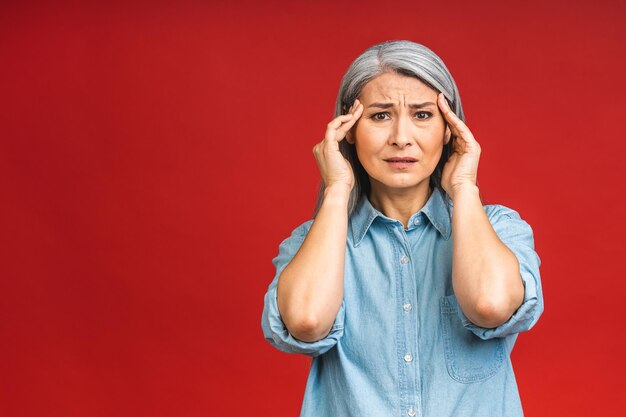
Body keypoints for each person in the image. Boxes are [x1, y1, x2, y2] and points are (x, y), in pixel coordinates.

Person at [261, 40, 543, 417]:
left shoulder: (499, 229)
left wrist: (463, 186)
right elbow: (307, 322)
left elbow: (488, 305)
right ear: (348, 129)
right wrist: (336, 191)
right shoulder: (313, 243)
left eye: (423, 115)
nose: (401, 137)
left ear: (449, 130)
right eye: (380, 116)